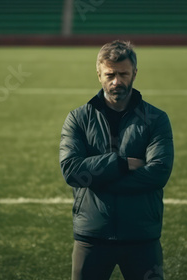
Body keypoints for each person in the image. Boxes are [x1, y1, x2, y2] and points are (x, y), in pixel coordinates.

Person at [59, 40, 174, 280]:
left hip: (141, 234)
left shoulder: (156, 119)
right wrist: (122, 164)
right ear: (99, 74)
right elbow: (72, 172)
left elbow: (158, 173)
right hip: (92, 235)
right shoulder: (78, 118)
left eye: (124, 74)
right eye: (110, 74)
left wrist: (98, 180)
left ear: (135, 73)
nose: (117, 81)